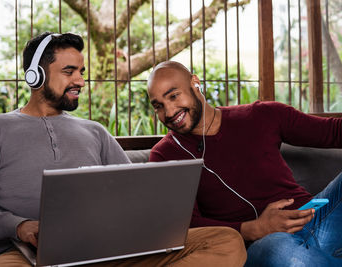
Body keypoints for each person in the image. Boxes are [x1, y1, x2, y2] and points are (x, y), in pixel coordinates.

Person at [0, 33, 246, 267]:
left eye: (81, 72)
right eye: (69, 72)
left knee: (226, 241)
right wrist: (21, 226)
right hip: (28, 258)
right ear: (36, 76)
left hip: (108, 252)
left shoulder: (95, 131)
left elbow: (136, 193)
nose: (80, 81)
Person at [147, 60, 342, 266]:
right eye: (158, 106)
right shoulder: (164, 155)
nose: (168, 112)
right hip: (263, 244)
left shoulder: (261, 115)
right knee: (286, 253)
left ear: (195, 83)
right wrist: (255, 228)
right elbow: (188, 226)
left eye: (173, 96)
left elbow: (333, 131)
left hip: (318, 217)